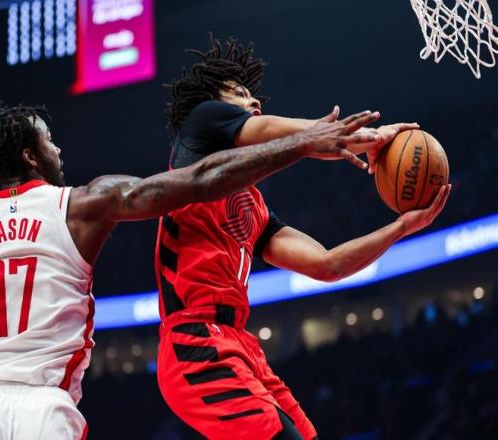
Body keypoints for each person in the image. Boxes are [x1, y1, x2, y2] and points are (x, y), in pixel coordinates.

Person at [0, 102, 381, 440]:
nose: (58, 149)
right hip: (41, 409)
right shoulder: (80, 205)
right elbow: (200, 181)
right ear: (31, 157)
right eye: (49, 141)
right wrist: (302, 143)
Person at [155, 34, 451, 439]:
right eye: (239, 93)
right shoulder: (201, 125)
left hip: (239, 344)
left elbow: (327, 265)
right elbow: (297, 137)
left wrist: (402, 228)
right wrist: (370, 137)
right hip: (194, 342)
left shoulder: (253, 209)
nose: (253, 101)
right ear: (214, 100)